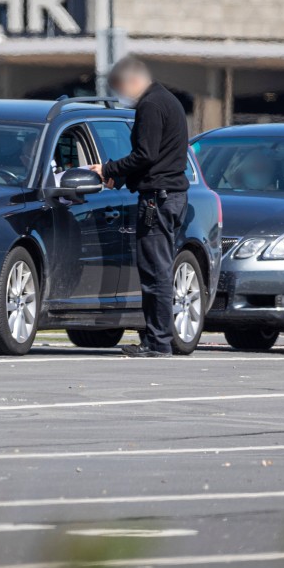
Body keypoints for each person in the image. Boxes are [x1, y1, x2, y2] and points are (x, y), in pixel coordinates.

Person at [89, 57, 190, 359]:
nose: (122, 93)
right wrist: (117, 179)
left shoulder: (151, 105)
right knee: (158, 269)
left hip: (157, 199)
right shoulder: (167, 101)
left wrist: (107, 169)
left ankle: (158, 342)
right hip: (170, 195)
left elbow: (145, 155)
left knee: (154, 272)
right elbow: (154, 158)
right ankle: (159, 338)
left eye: (121, 87)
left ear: (133, 81)